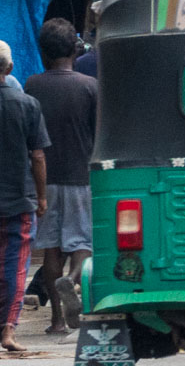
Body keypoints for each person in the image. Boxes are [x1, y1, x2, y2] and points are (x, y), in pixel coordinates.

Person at [23, 20, 93, 337]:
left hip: (45, 179)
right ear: (75, 50)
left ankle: (57, 321)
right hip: (81, 177)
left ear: (43, 52)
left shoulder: (33, 85)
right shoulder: (90, 86)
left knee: (51, 249)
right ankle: (74, 279)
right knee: (82, 243)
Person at [0, 42, 48, 353]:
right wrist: (42, 197)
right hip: (19, 198)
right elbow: (38, 156)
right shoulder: (27, 104)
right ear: (10, 68)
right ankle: (7, 329)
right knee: (16, 265)